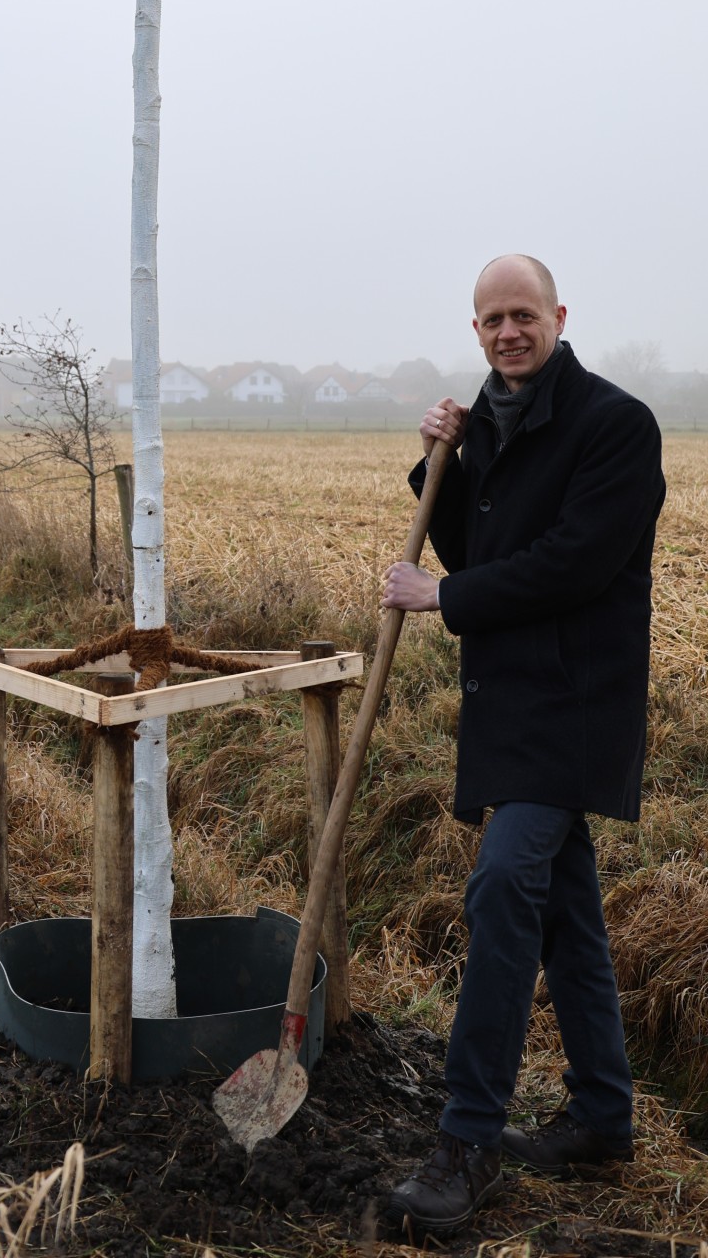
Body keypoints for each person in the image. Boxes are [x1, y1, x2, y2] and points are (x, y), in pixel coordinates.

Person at [382, 255, 665, 1237]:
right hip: (511, 711)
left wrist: (441, 601)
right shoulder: (494, 421)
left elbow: (574, 564)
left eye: (521, 315)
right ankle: (599, 1116)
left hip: (573, 709)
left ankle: (464, 1143)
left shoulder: (612, 425)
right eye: (489, 319)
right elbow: (478, 548)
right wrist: (441, 467)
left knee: (504, 885)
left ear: (555, 316)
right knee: (563, 915)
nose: (506, 332)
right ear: (474, 332)